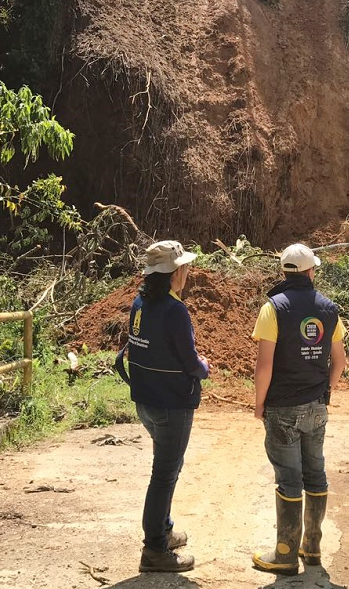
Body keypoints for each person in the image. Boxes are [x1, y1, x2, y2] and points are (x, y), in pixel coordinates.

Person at [251, 243, 347, 576]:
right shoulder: (329, 309)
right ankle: (313, 547)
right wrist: (325, 391)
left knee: (289, 479)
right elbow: (340, 361)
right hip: (316, 406)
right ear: (310, 271)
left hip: (282, 407)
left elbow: (264, 366)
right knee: (315, 473)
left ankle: (285, 554)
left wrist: (259, 402)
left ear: (285, 272)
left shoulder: (273, 308)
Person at [114, 240, 209, 573]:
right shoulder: (175, 310)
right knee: (164, 475)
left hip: (146, 400)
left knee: (166, 470)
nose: (187, 272)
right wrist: (204, 367)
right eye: (184, 267)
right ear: (176, 272)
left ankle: (163, 531)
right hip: (172, 404)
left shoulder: (141, 302)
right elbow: (190, 362)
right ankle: (155, 550)